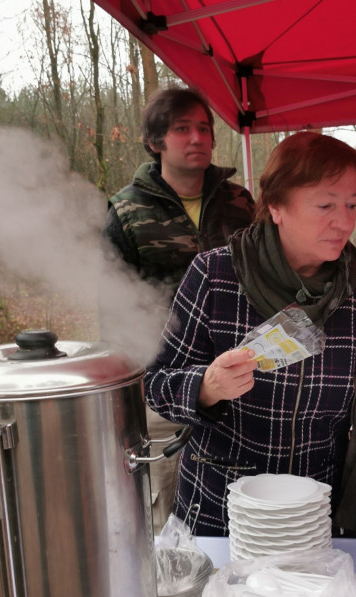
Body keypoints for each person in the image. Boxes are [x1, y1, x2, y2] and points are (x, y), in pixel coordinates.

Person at [144, 130, 356, 573]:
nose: (343, 221)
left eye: (352, 204)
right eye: (326, 205)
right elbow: (156, 384)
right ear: (276, 207)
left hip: (313, 520)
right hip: (219, 517)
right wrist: (206, 387)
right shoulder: (215, 276)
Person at [103, 86, 255, 532]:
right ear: (156, 142)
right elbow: (113, 308)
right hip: (167, 388)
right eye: (182, 129)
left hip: (240, 379)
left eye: (204, 128)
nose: (197, 138)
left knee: (241, 510)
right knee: (173, 521)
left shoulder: (241, 202)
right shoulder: (126, 211)